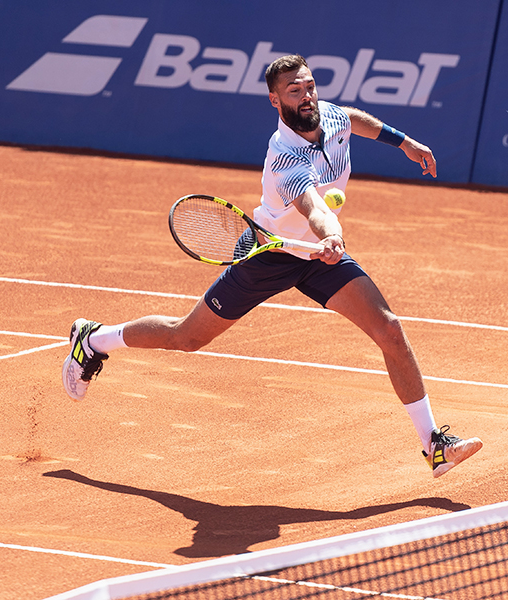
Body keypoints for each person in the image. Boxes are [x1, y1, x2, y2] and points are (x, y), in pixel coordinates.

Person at [62, 54, 482, 478]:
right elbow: (313, 206)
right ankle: (95, 339)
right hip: (270, 255)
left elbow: (352, 119)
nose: (307, 96)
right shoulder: (284, 157)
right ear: (274, 100)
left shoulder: (328, 116)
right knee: (185, 338)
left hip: (318, 259)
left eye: (310, 86)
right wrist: (329, 234)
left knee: (389, 329)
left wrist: (403, 142)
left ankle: (434, 446)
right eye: (294, 91)